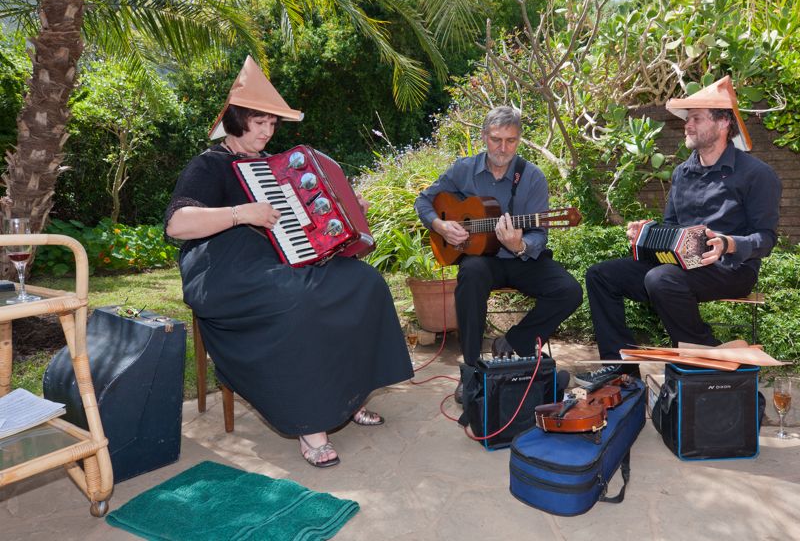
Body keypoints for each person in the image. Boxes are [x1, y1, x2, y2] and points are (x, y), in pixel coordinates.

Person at [165, 56, 412, 468]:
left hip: (282, 260)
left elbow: (306, 224)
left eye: (272, 124)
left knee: (363, 282)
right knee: (299, 302)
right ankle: (310, 424)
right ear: (236, 121)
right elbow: (177, 224)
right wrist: (241, 213)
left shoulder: (275, 168)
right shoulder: (209, 164)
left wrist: (348, 211)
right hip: (224, 269)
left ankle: (347, 397)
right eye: (259, 123)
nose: (267, 131)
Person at [579, 76, 781, 385]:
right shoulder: (682, 172)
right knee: (601, 275)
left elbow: (766, 238)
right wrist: (645, 233)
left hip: (732, 268)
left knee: (660, 278)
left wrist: (727, 243)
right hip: (681, 265)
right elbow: (672, 228)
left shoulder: (757, 174)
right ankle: (622, 370)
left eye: (696, 118)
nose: (688, 125)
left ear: (723, 122)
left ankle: (709, 362)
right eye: (688, 119)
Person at [414, 106, 583, 402]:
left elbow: (538, 235)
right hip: (483, 262)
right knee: (471, 272)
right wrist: (441, 226)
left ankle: (514, 341)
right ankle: (470, 371)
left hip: (522, 260)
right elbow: (424, 200)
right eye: (496, 139)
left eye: (511, 140)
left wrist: (520, 246)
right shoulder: (463, 169)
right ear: (484, 137)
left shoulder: (531, 177)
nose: (503, 148)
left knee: (569, 290)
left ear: (519, 141)